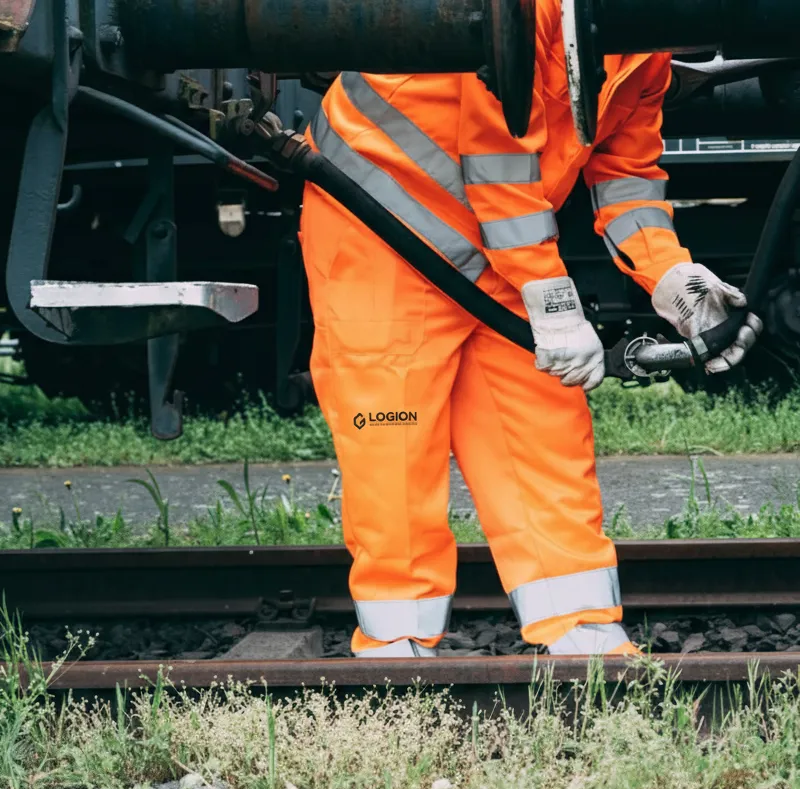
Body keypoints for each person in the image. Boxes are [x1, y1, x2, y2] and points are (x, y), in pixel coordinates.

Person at [299, 0, 761, 657]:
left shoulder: (644, 49)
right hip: (381, 229)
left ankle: (578, 626)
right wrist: (552, 303)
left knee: (541, 425)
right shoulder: (525, 9)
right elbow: (497, 156)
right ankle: (397, 643)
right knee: (395, 439)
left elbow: (626, 177)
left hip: (499, 247)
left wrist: (671, 278)